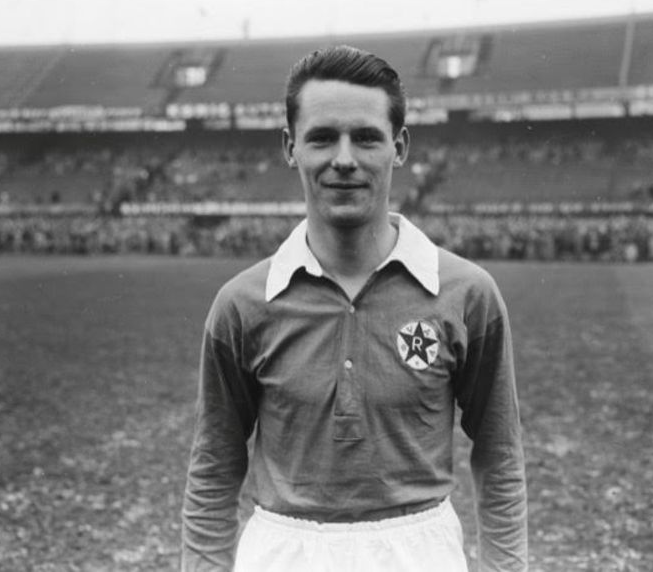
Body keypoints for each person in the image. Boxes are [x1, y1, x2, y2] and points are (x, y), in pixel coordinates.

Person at [182, 45, 527, 571]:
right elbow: (214, 466)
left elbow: (499, 454)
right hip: (283, 552)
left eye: (366, 137)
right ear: (291, 147)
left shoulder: (467, 293)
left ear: (399, 146)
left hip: (418, 552)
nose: (344, 159)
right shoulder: (242, 304)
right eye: (322, 137)